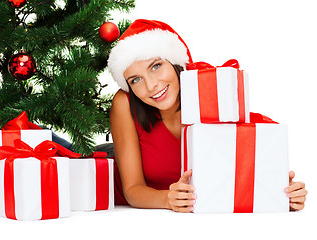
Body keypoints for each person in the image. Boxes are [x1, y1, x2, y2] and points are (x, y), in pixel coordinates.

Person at [108, 19, 307, 212]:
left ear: (176, 63)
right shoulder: (125, 103)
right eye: (135, 80)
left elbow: (249, 141)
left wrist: (281, 191)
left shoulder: (209, 91)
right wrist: (168, 199)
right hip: (117, 189)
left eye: (156, 66)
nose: (151, 86)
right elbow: (132, 189)